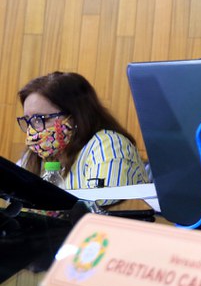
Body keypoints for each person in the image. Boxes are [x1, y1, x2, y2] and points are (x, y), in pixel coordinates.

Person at [16, 71, 149, 199]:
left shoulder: (108, 145)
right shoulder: (35, 154)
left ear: (74, 116)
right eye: (28, 121)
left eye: (40, 119)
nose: (32, 131)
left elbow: (99, 206)